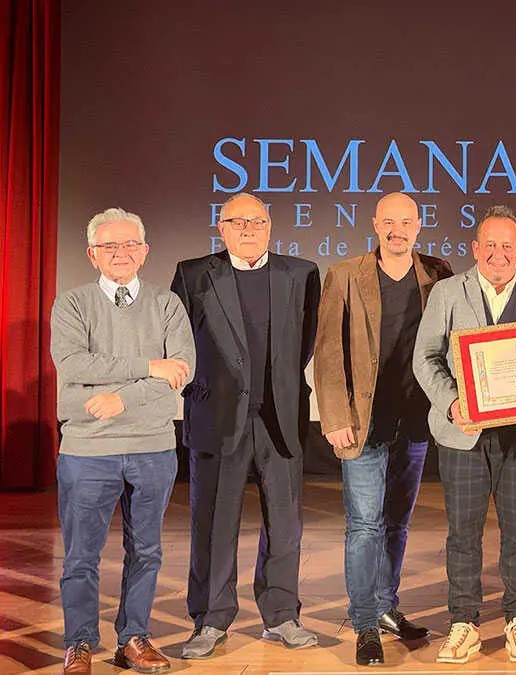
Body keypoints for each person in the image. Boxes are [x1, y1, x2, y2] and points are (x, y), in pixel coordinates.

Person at [171, 192, 321, 658]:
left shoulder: (302, 274)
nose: (248, 229)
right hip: (217, 418)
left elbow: (306, 341)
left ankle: (282, 615)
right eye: (238, 222)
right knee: (214, 524)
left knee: (285, 524)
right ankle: (210, 619)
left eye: (257, 221)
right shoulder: (193, 274)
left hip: (280, 418)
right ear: (221, 227)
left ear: (270, 227)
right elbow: (179, 341)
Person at [413, 205, 516, 664]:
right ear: (476, 249)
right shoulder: (447, 292)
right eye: (491, 245)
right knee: (463, 533)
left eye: (508, 246)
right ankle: (464, 623)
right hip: (465, 434)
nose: (499, 254)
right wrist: (452, 403)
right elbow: (425, 358)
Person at [51, 208, 195, 675]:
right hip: (87, 450)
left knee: (147, 551)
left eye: (130, 244)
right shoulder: (72, 304)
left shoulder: (167, 304)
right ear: (92, 254)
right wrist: (149, 366)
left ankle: (133, 638)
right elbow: (74, 365)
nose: (121, 253)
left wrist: (120, 399)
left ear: (145, 251)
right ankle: (79, 643)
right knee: (81, 555)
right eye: (109, 246)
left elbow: (182, 369)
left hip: (153, 446)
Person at [313, 193, 453, 665]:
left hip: (414, 421)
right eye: (389, 221)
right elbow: (328, 351)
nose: (398, 230)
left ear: (419, 225)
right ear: (375, 224)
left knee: (396, 523)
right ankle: (365, 624)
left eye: (406, 222)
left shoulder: (437, 274)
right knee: (364, 526)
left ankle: (386, 607)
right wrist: (334, 418)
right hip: (361, 422)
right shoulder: (345, 274)